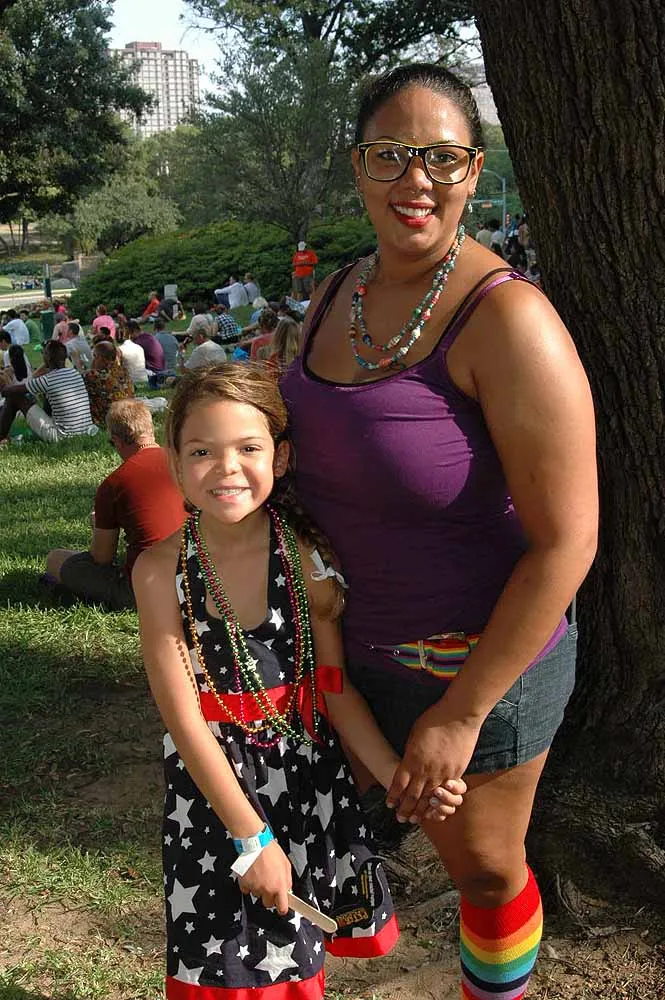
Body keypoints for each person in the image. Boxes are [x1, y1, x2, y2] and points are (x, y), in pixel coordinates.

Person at [281, 63, 597, 1000]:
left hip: (471, 669)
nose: (414, 180)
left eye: (442, 158)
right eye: (389, 155)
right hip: (345, 654)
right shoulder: (333, 293)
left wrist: (458, 717)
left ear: (473, 170)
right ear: (357, 167)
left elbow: (567, 542)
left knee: (486, 873)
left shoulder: (509, 320)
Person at [132, 363, 464, 999]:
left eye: (248, 448)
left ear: (280, 458)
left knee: (296, 960)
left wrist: (398, 777)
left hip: (309, 786)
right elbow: (184, 719)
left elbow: (333, 687)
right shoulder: (159, 572)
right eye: (201, 451)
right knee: (226, 968)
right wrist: (249, 836)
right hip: (216, 796)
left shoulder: (306, 556)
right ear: (174, 462)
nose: (226, 468)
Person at [44, 400, 185, 610]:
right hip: (200, 580)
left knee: (55, 559)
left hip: (145, 590)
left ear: (117, 442)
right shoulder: (184, 462)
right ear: (150, 429)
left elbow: (101, 559)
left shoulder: (113, 484)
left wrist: (97, 527)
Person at [0, 339, 96, 445]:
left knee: (14, 396)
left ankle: (1, 437)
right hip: (84, 432)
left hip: (63, 437)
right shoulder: (75, 373)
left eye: (43, 353)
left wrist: (3, 379)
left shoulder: (48, 380)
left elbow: (7, 392)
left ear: (48, 358)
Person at [84, 340, 135, 426]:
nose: (93, 359)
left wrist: (92, 368)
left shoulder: (92, 376)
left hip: (107, 420)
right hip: (129, 415)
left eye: (94, 356)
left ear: (100, 357)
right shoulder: (124, 371)